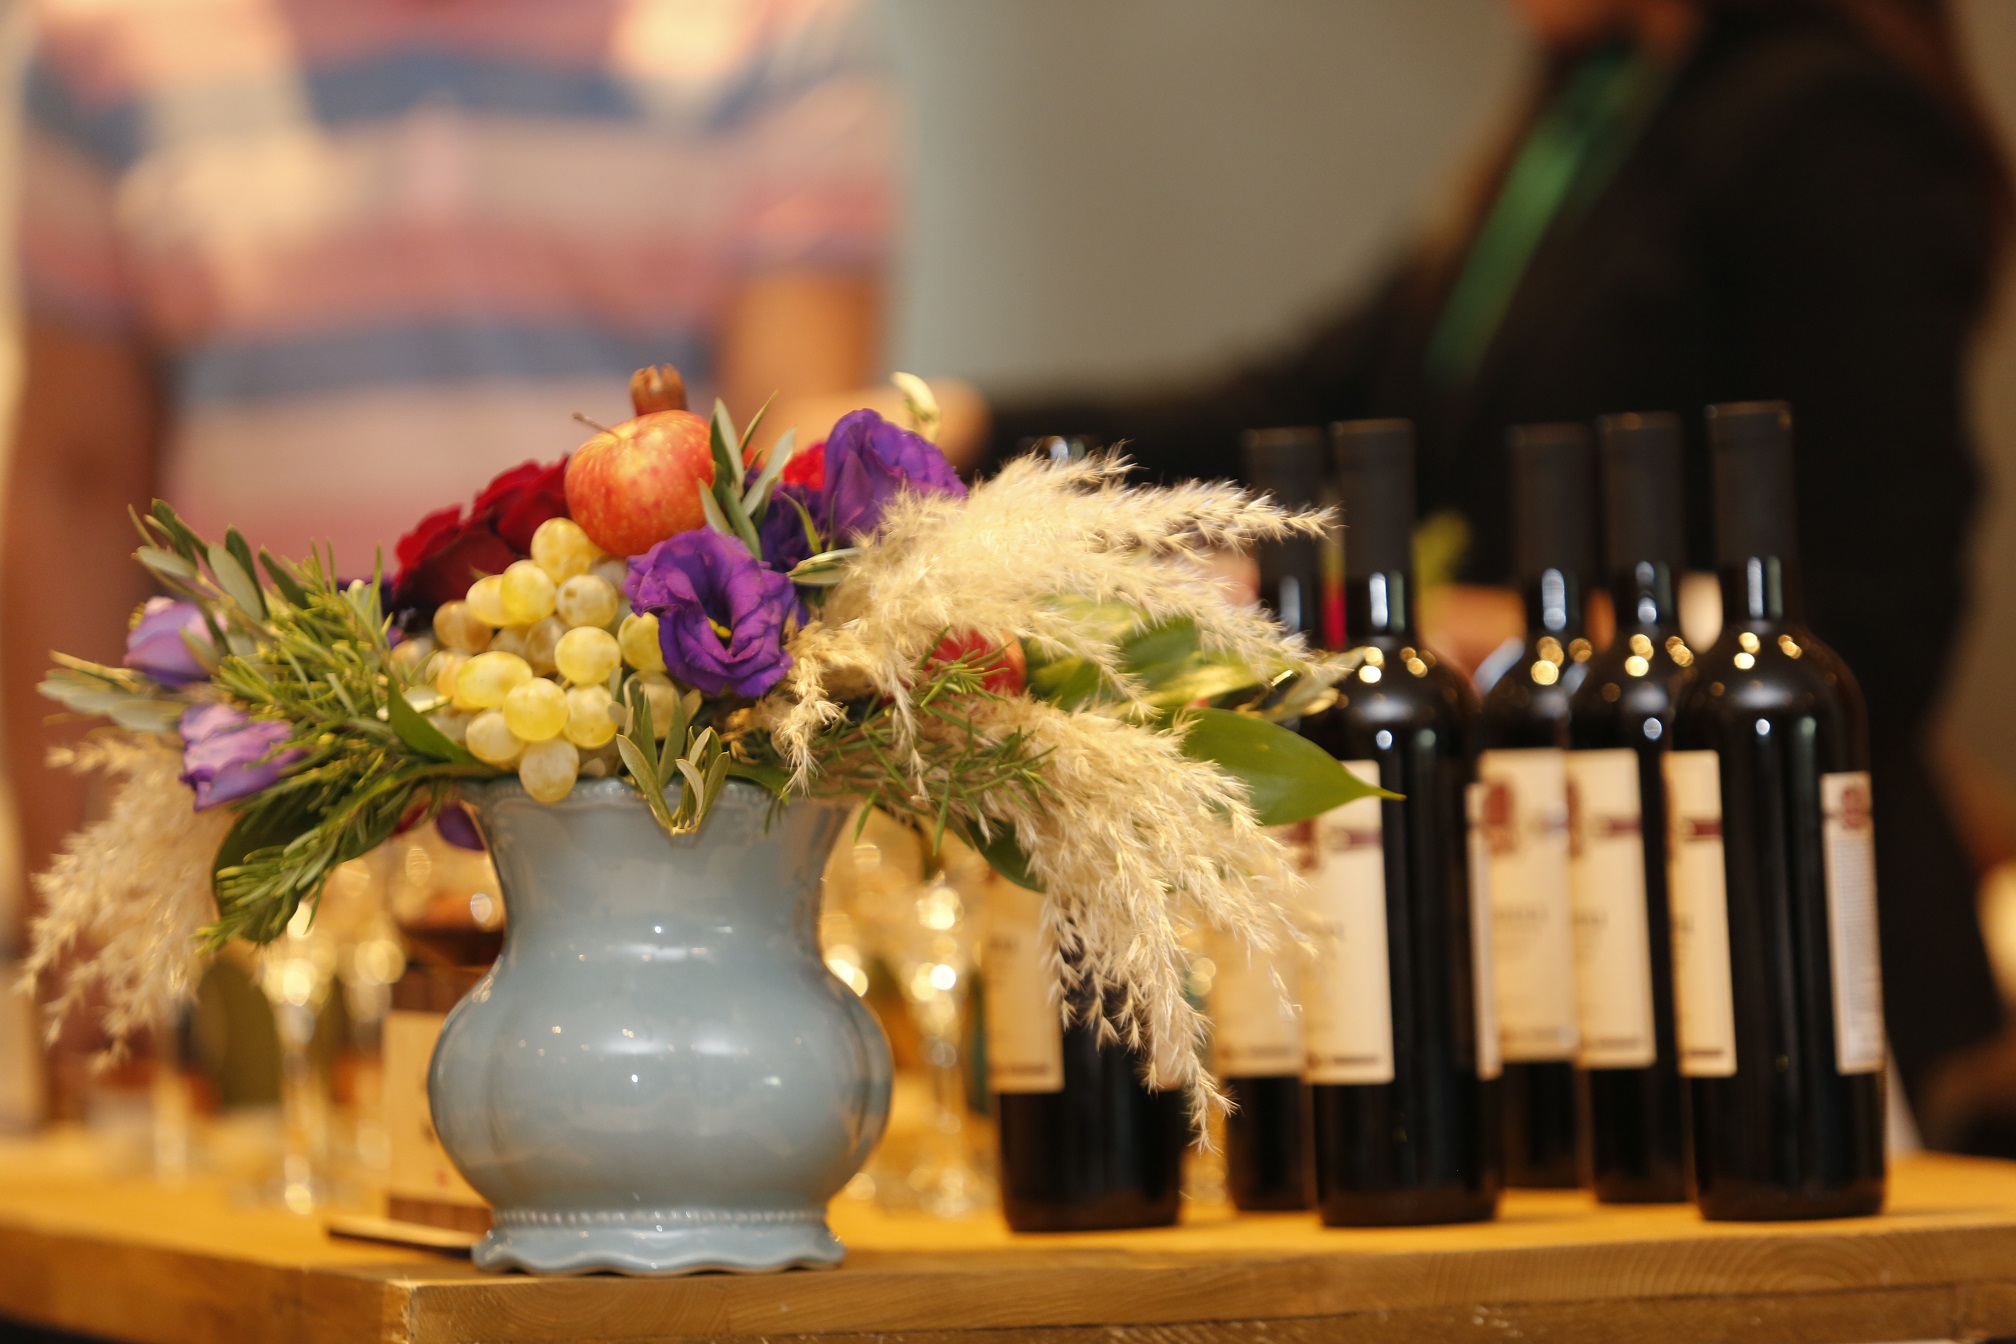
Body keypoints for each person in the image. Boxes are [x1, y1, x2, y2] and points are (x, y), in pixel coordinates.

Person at [966, 0, 2008, 1140]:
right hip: (1567, 924)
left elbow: (1882, 605)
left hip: (1774, 953)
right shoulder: (1589, 112)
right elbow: (1306, 405)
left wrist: (1524, 631)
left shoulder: (1825, 115)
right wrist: (958, 430)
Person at [5, 0, 897, 893]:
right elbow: (75, 488)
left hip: (634, 863)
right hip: (261, 857)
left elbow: (784, 499)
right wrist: (83, 919)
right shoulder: (99, 35)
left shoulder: (775, 29)